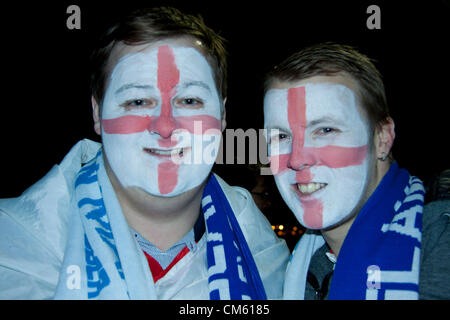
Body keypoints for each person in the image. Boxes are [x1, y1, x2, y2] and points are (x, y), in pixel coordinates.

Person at [0, 7, 289, 300]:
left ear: (223, 114)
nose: (165, 126)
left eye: (190, 100)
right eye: (137, 101)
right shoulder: (15, 248)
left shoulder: (263, 255)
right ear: (97, 112)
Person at [263, 42, 450, 300]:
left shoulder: (439, 240)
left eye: (325, 130)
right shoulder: (305, 268)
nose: (297, 159)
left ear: (382, 138)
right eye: (281, 136)